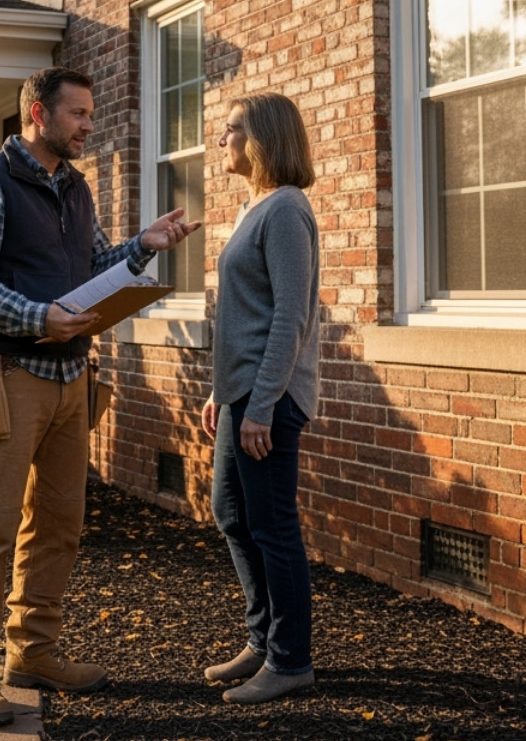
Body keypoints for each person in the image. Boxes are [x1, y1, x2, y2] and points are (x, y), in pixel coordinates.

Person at [0, 65, 200, 728]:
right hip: (6, 378)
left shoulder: (77, 189)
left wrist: (142, 248)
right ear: (38, 114)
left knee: (58, 525)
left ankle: (32, 652)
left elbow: (89, 269)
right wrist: (38, 316)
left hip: (70, 380)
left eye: (90, 115)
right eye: (79, 114)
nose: (90, 125)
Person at [201, 92, 320, 704]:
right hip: (240, 396)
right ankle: (263, 640)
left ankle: (291, 659)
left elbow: (289, 318)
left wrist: (262, 403)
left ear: (263, 139)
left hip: (267, 399)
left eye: (232, 129)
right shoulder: (256, 208)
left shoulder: (286, 212)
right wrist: (221, 394)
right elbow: (240, 316)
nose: (222, 139)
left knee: (272, 526)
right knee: (230, 512)